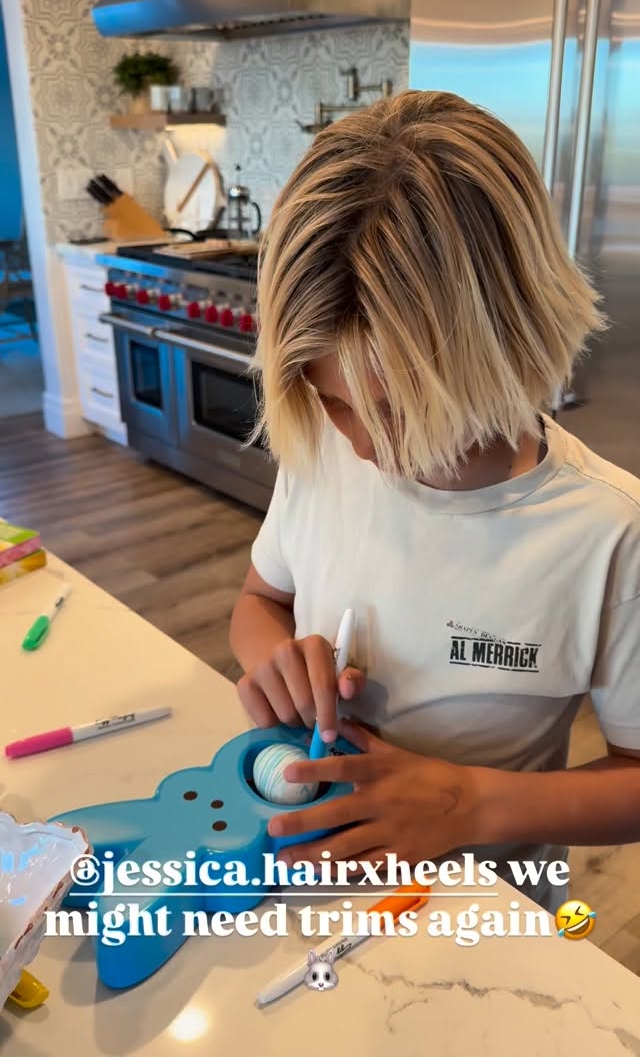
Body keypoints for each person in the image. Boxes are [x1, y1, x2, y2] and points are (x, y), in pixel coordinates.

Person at [228, 90, 640, 913]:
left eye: (399, 412)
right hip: (314, 880)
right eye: (332, 402)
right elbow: (259, 600)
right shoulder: (320, 455)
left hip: (483, 910)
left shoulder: (610, 534)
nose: (362, 446)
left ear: (510, 345)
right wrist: (272, 658)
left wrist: (468, 803)